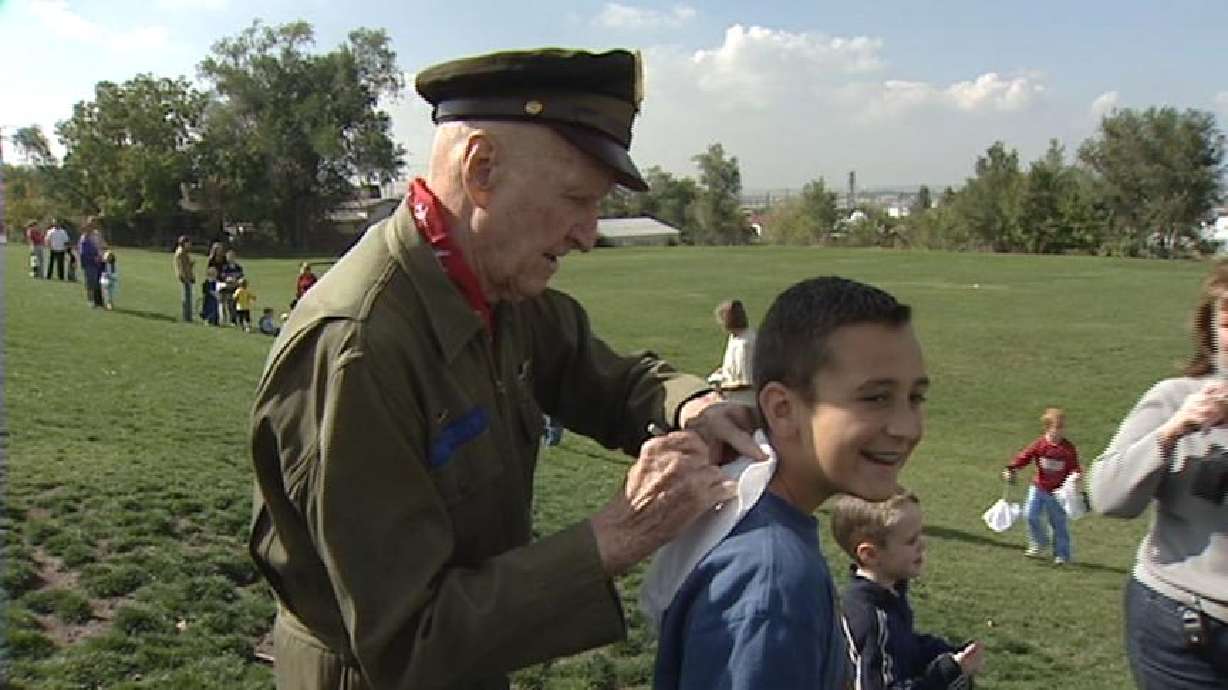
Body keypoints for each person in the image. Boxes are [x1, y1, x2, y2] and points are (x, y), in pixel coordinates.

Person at [247, 47, 762, 690]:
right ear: (481, 166)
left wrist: (692, 405)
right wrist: (615, 536)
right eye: (576, 198)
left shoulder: (494, 286)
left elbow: (608, 377)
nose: (587, 233)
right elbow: (410, 642)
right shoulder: (360, 348)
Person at [647, 276, 930, 690]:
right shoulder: (772, 583)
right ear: (783, 409)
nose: (907, 427)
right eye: (875, 397)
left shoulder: (749, 512)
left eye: (916, 397)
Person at [1090, 261, 1228, 688]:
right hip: (1184, 628)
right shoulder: (1175, 399)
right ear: (1211, 333)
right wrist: (1171, 433)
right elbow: (1107, 498)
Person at [832, 491, 985, 690]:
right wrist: (947, 672)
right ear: (870, 554)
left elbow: (904, 646)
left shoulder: (890, 593)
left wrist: (946, 653)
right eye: (911, 541)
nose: (922, 544)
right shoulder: (870, 618)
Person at [1002, 407, 1081, 565]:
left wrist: (1076, 476)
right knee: (1030, 515)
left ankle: (1062, 554)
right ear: (1047, 428)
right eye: (1057, 428)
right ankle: (1038, 542)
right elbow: (1025, 457)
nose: (1060, 432)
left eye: (1062, 428)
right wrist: (1012, 468)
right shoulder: (1040, 445)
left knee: (1058, 523)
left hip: (1058, 492)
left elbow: (1074, 467)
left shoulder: (1067, 448)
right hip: (1039, 488)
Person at [706, 299, 756, 407]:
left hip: (743, 402)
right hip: (729, 395)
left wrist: (722, 387)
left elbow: (747, 383)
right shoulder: (734, 337)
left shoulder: (745, 345)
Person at [78, 220, 105, 308]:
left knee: (98, 283)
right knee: (90, 283)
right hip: (89, 263)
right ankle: (90, 301)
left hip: (99, 262)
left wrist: (101, 255)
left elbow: (102, 246)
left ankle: (99, 302)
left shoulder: (97, 234)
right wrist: (93, 257)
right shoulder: (84, 238)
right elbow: (83, 252)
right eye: (90, 225)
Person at [220, 249, 245, 326]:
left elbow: (241, 277)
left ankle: (239, 320)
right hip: (228, 289)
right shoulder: (225, 268)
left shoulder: (239, 267)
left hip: (237, 288)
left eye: (232, 256)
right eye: (229, 256)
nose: (231, 258)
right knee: (230, 305)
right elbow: (223, 277)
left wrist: (238, 281)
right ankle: (232, 321)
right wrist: (229, 279)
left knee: (237, 305)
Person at [173, 235, 195, 322]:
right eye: (188, 242)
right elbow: (181, 266)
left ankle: (188, 316)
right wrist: (183, 276)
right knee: (186, 297)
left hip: (187, 276)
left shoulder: (184, 252)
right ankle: (187, 317)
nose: (189, 244)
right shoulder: (181, 253)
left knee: (188, 297)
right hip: (185, 277)